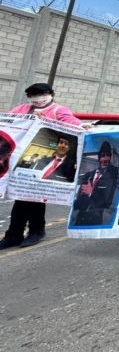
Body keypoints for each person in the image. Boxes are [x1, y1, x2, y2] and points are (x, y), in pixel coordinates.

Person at [0, 83, 83, 250]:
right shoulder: (23, 109)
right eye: (33, 95)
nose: (37, 98)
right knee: (22, 194)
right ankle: (22, 232)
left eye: (41, 94)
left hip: (48, 156)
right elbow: (8, 121)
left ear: (51, 94)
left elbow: (71, 122)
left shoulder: (58, 110)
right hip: (23, 158)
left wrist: (82, 126)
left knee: (33, 195)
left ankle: (27, 231)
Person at [72, 141, 119, 226]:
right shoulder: (87, 176)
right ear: (99, 158)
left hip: (97, 221)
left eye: (108, 156)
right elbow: (79, 202)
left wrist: (91, 192)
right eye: (102, 156)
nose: (105, 159)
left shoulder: (113, 176)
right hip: (80, 220)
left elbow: (108, 202)